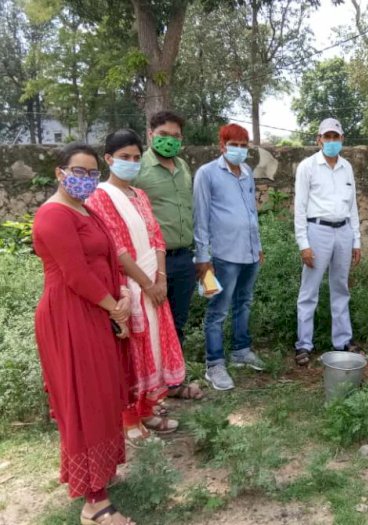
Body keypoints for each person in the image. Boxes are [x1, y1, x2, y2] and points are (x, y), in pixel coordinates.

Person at [33, 143, 136, 524]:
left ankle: (101, 474)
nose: (86, 179)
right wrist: (115, 306)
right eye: (79, 171)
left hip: (98, 310)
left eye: (92, 173)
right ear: (61, 172)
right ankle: (94, 504)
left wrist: (121, 293)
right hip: (71, 315)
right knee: (84, 398)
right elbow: (75, 274)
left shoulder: (85, 208)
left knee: (104, 393)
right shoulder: (53, 215)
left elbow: (108, 256)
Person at [87, 129, 186, 441]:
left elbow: (156, 236)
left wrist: (161, 278)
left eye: (134, 158)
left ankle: (146, 410)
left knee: (153, 348)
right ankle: (129, 420)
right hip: (129, 285)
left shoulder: (140, 195)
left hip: (154, 282)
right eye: (123, 158)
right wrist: (145, 283)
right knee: (131, 352)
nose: (130, 163)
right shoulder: (100, 197)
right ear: (108, 159)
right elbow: (116, 248)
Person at [134, 110, 202, 400]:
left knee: (177, 324)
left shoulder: (183, 166)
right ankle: (149, 387)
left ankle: (174, 382)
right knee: (150, 325)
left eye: (175, 136)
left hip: (183, 258)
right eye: (163, 135)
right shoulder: (138, 168)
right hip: (151, 262)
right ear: (150, 134)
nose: (169, 141)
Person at [194, 124, 265, 391]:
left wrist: (257, 246)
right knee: (218, 310)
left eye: (244, 144)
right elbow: (200, 217)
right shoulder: (207, 174)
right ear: (222, 145)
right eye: (234, 144)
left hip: (248, 253)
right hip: (222, 255)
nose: (239, 149)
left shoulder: (246, 173)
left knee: (244, 302)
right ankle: (215, 363)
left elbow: (251, 213)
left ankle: (240, 351)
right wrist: (203, 257)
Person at [293, 118, 362, 366]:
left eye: (336, 137)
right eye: (327, 137)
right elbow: (299, 207)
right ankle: (304, 344)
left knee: (340, 287)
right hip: (317, 230)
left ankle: (343, 340)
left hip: (343, 230)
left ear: (342, 139)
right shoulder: (308, 167)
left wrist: (357, 240)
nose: (332, 141)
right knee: (309, 290)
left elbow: (352, 205)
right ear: (319, 139)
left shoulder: (347, 168)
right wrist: (304, 243)